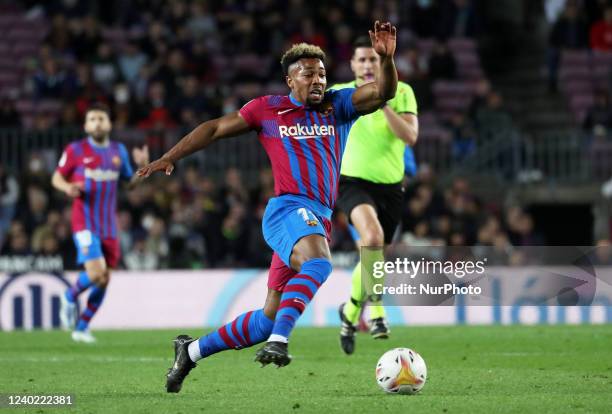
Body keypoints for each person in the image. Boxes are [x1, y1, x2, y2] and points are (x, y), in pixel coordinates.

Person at [137, 21, 398, 393]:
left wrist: (387, 59)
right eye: (309, 74)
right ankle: (281, 340)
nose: (319, 80)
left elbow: (384, 92)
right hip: (287, 211)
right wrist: (169, 156)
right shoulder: (267, 110)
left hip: (315, 219)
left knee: (264, 319)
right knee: (319, 264)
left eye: (323, 73)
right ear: (290, 81)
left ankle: (190, 352)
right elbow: (213, 128)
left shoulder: (338, 107)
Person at [330, 37, 418, 355]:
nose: (368, 65)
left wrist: (382, 103)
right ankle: (378, 310)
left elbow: (410, 136)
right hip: (351, 182)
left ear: (382, 63)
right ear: (352, 66)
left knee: (374, 252)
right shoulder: (340, 94)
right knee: (372, 236)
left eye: (373, 60)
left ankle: (350, 312)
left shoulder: (402, 92)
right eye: (362, 60)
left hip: (391, 187)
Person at [52, 104, 149, 343]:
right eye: (92, 119)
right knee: (96, 274)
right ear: (86, 125)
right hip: (84, 223)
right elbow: (56, 177)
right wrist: (68, 188)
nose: (97, 123)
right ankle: (69, 294)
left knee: (104, 279)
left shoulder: (118, 151)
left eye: (101, 118)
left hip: (109, 227)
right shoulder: (76, 150)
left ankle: (81, 328)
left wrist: (143, 167)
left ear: (109, 124)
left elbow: (130, 183)